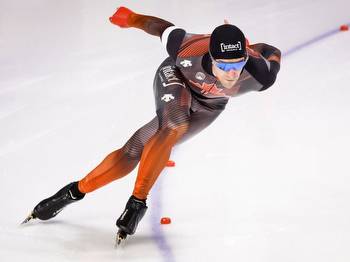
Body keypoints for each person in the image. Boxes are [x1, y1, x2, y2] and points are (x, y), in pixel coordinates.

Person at [23, 6, 281, 241]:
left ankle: (70, 193)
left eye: (237, 63)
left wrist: (252, 50)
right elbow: (160, 27)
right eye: (223, 64)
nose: (231, 73)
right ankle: (137, 203)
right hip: (176, 76)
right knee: (174, 124)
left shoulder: (260, 76)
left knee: (133, 151)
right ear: (211, 56)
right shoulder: (187, 47)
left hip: (210, 106)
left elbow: (272, 52)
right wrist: (133, 19)